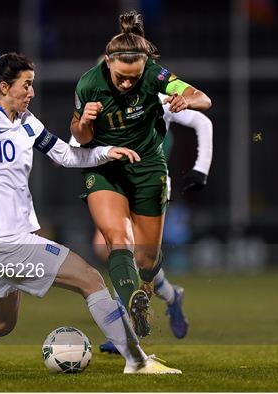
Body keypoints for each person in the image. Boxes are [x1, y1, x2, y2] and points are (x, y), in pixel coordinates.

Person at [0, 36, 181, 375]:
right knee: (90, 279)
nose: (32, 92)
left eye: (33, 84)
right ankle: (137, 361)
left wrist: (106, 152)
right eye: (26, 85)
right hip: (5, 239)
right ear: (5, 87)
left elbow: (64, 154)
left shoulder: (27, 121)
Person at [70, 11, 212, 339]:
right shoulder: (88, 84)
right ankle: (131, 313)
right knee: (114, 242)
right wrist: (84, 122)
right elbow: (80, 136)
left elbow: (203, 100)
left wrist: (185, 100)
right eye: (121, 77)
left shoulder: (154, 76)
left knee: (146, 259)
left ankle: (167, 295)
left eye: (133, 77)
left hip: (148, 169)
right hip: (107, 169)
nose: (127, 83)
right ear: (108, 63)